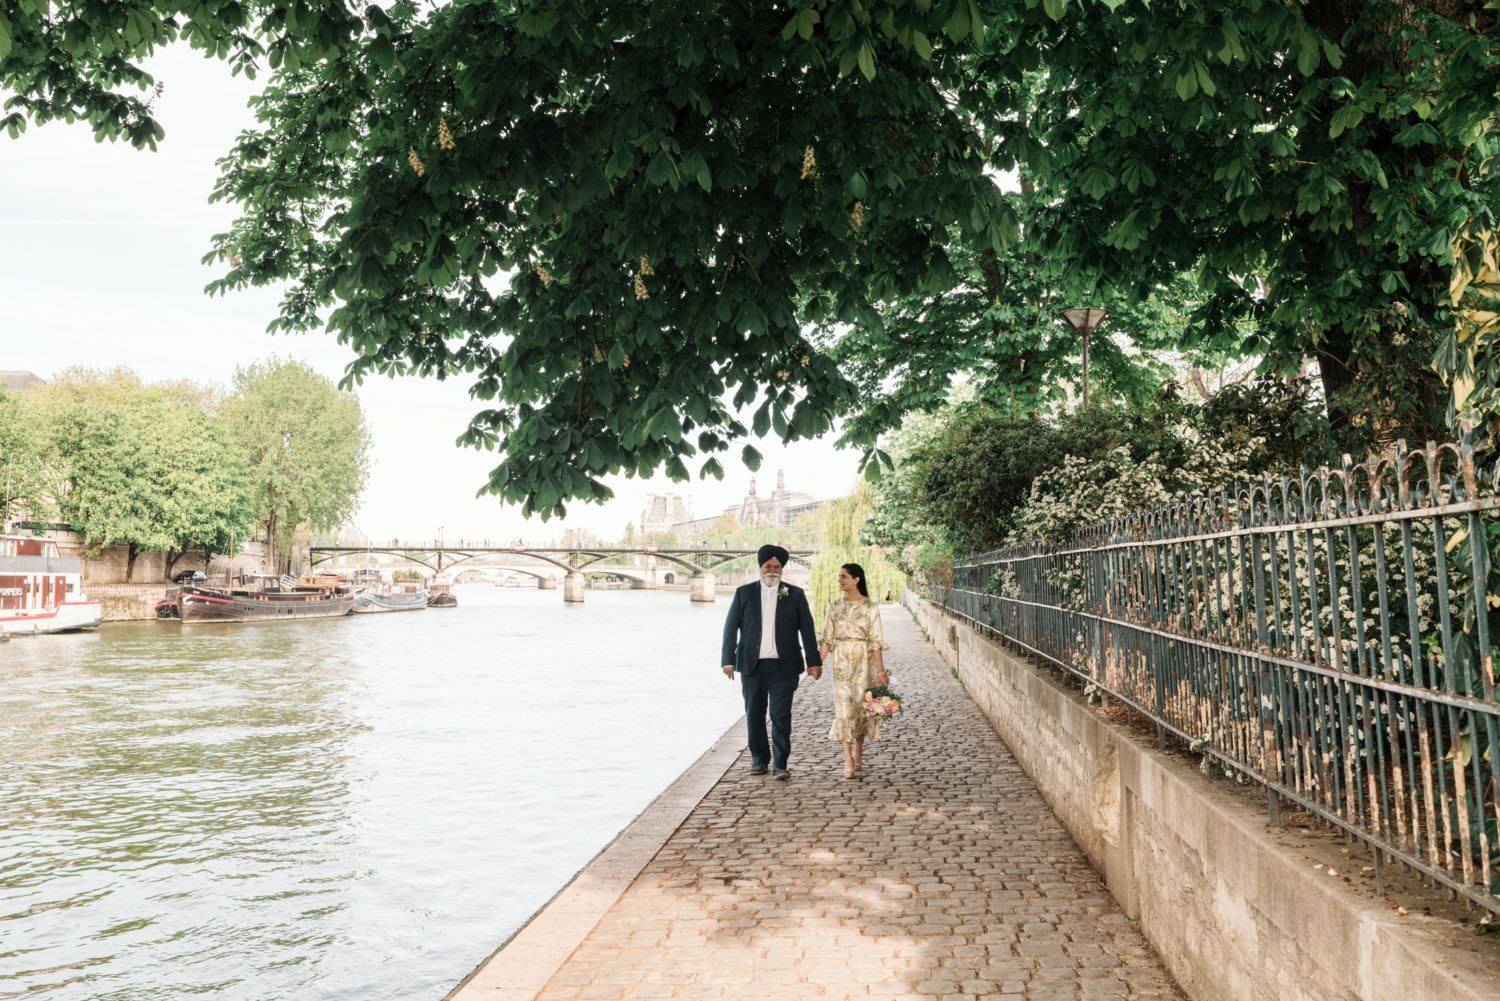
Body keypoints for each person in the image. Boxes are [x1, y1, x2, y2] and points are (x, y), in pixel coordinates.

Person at [721, 545, 822, 780]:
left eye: (777, 567)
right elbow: (730, 628)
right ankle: (759, 760)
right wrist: (727, 660)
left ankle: (780, 764)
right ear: (760, 567)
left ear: (782, 569)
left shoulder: (795, 594)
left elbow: (807, 630)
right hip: (751, 666)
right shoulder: (743, 593)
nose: (772, 570)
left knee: (781, 714)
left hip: (784, 667)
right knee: (754, 714)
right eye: (768, 566)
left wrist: (813, 661)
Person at [817, 563, 890, 780]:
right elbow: (827, 639)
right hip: (840, 663)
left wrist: (880, 672)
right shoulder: (834, 606)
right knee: (844, 709)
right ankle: (847, 758)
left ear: (856, 579)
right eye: (839, 577)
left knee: (861, 707)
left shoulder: (870, 607)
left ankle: (858, 750)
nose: (839, 580)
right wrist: (817, 664)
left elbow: (876, 641)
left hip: (863, 662)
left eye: (844, 577)